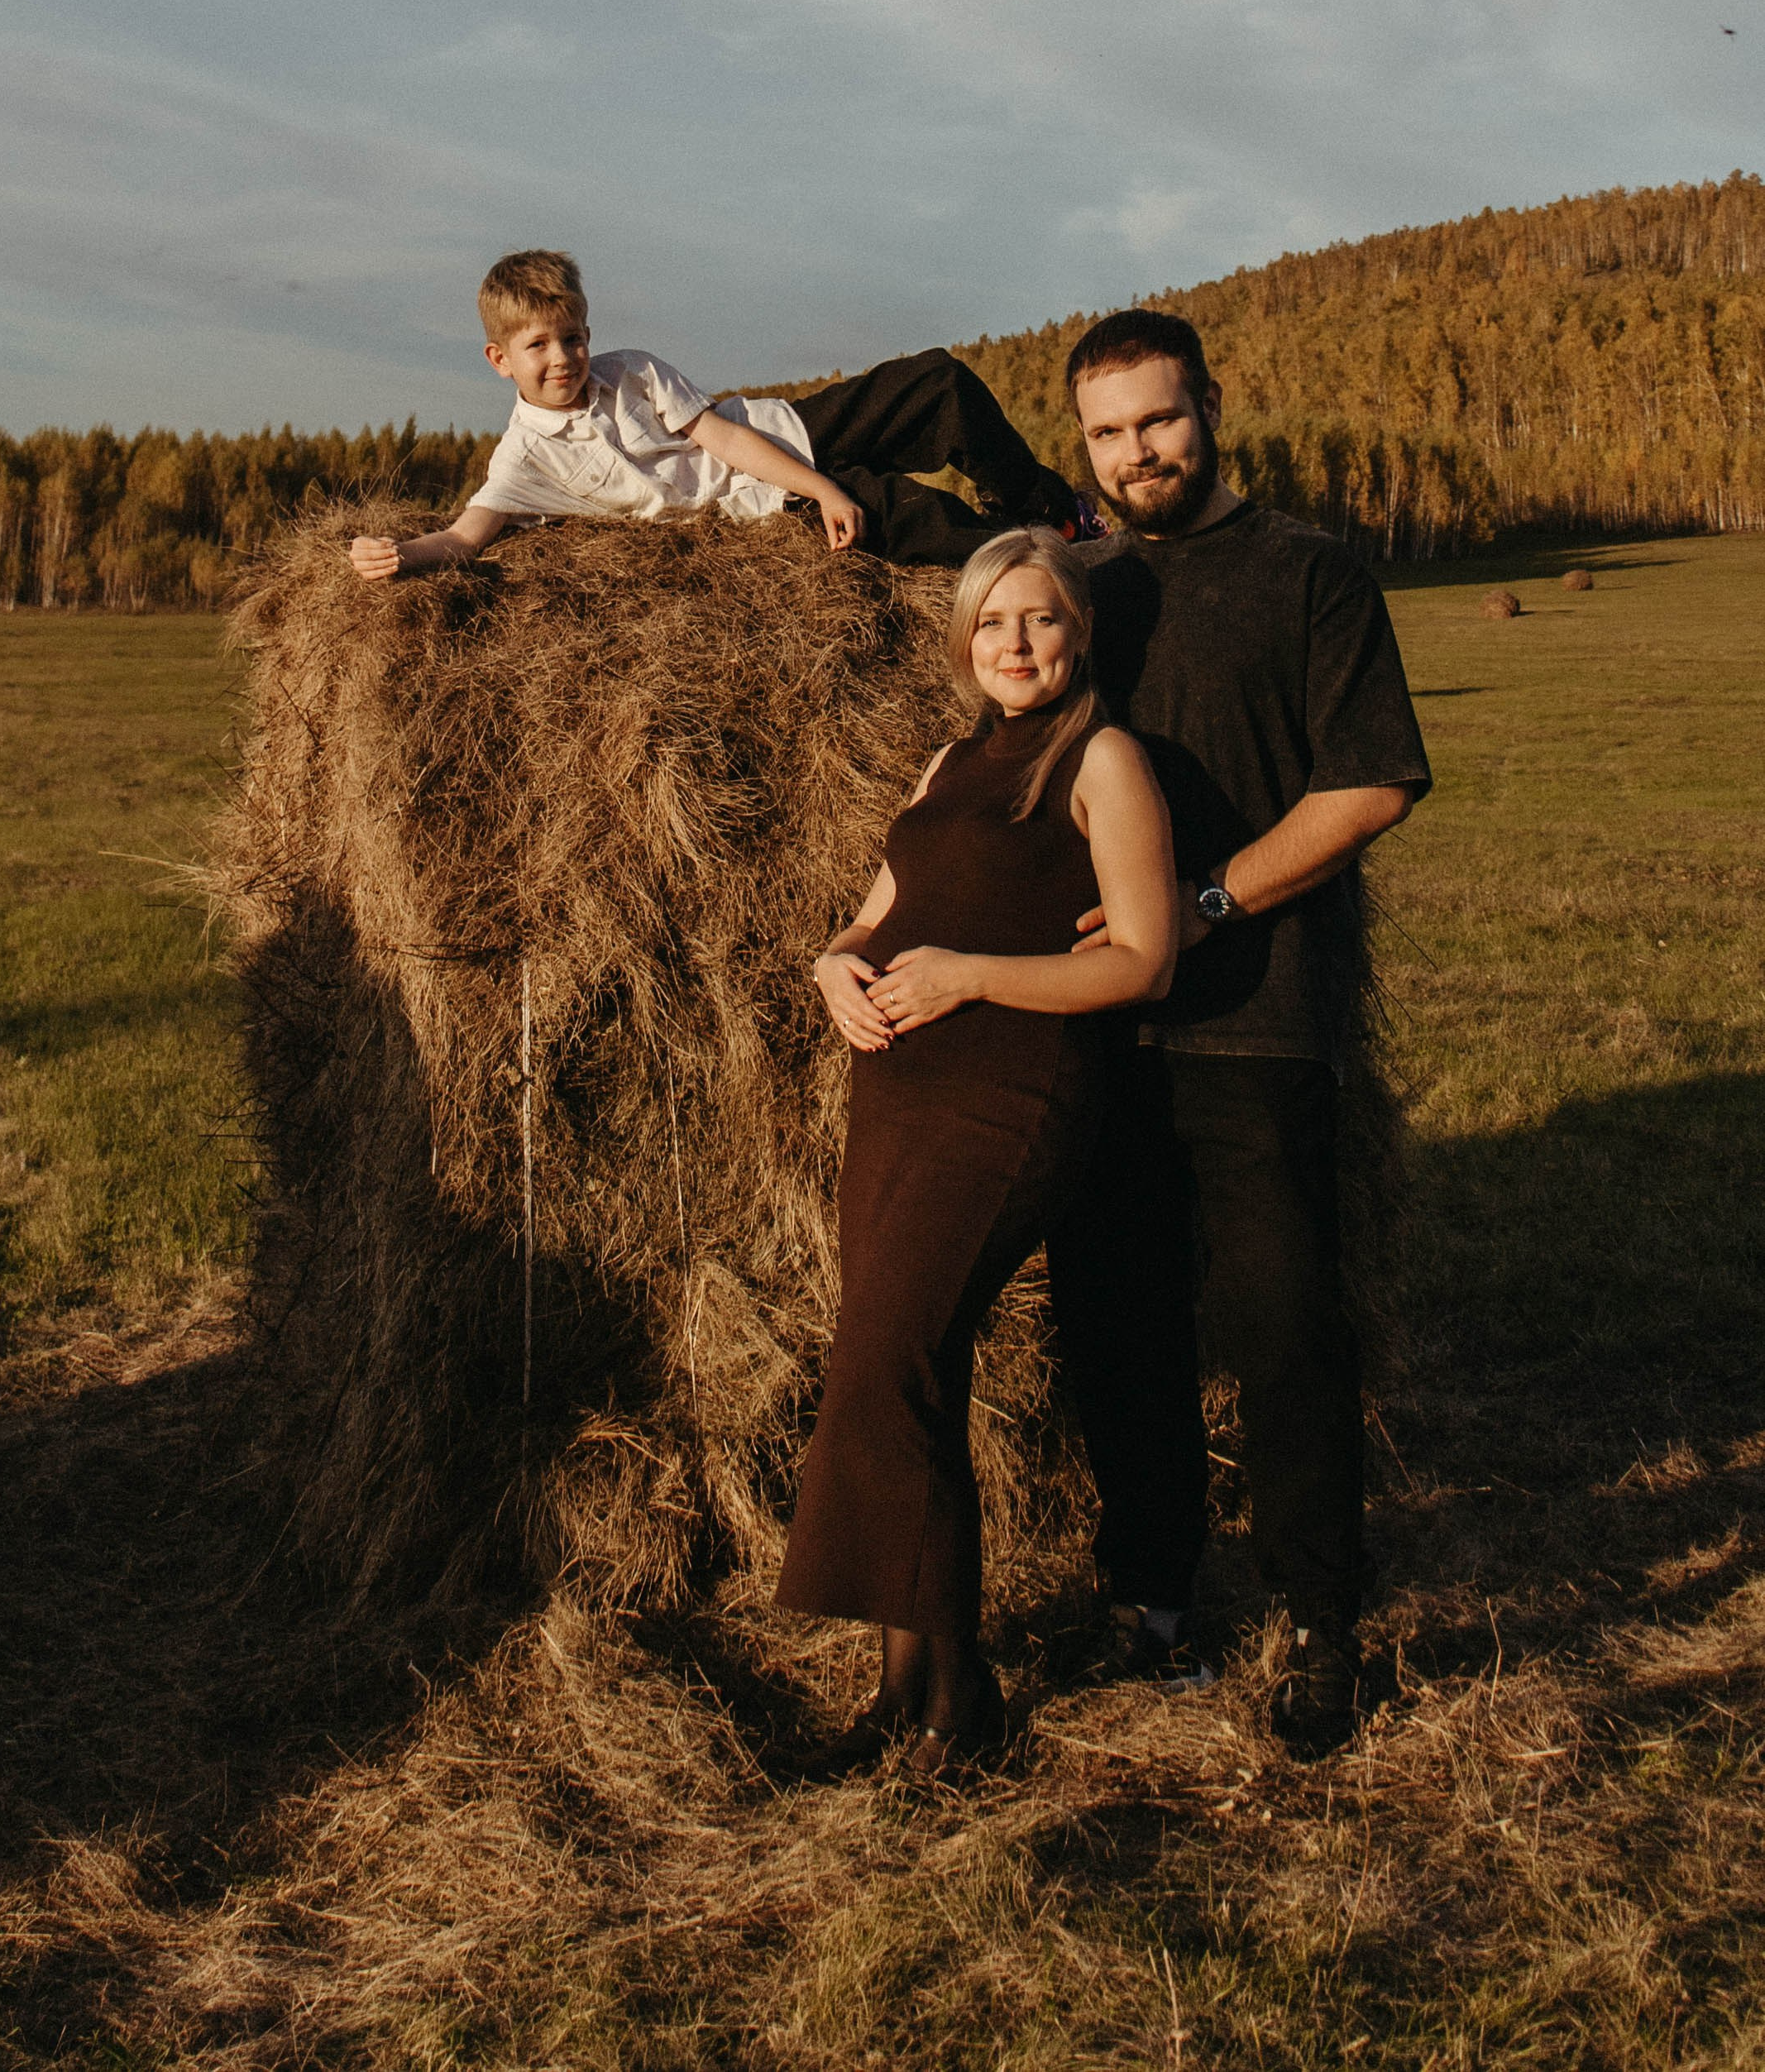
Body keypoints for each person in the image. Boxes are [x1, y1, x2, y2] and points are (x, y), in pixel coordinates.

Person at [1045, 308, 1433, 1758]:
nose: (1136, 452)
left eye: (1155, 419)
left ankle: (1314, 1625)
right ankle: (1148, 1594)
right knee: (1117, 1328)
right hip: (1097, 1033)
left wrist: (1203, 903)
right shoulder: (1073, 587)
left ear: (1208, 405)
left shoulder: (1310, 571)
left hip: (1256, 1018)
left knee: (1281, 1331)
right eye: (1104, 433)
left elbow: (1367, 787)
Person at [777, 529, 1178, 1777]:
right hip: (895, 1087)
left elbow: (1139, 960)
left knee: (888, 1355)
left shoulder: (1103, 761)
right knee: (905, 1368)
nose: (1014, 643)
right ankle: (906, 1684)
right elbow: (879, 913)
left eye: (1041, 619)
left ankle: (962, 1695)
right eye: (993, 622)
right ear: (964, 640)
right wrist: (834, 960)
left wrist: (965, 981)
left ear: (1078, 634)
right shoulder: (947, 761)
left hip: (1012, 1094)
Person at [349, 250, 1085, 580]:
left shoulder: (631, 371)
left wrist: (822, 482)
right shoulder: (523, 458)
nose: (563, 357)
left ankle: (1049, 512)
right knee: (911, 515)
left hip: (781, 437)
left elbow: (724, 436)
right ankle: (1052, 567)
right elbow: (464, 535)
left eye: (572, 338)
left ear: (589, 334)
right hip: (758, 515)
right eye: (538, 345)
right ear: (499, 359)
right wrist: (396, 554)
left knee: (937, 383)